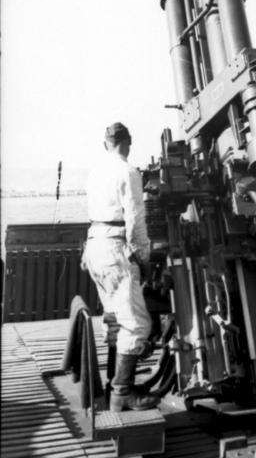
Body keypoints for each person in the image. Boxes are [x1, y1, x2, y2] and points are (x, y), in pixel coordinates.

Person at [83, 122, 158, 412]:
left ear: (105, 144)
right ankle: (122, 392)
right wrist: (144, 259)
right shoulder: (128, 172)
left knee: (115, 318)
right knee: (138, 324)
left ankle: (112, 384)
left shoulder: (95, 172)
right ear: (128, 143)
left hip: (94, 247)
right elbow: (136, 221)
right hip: (114, 250)